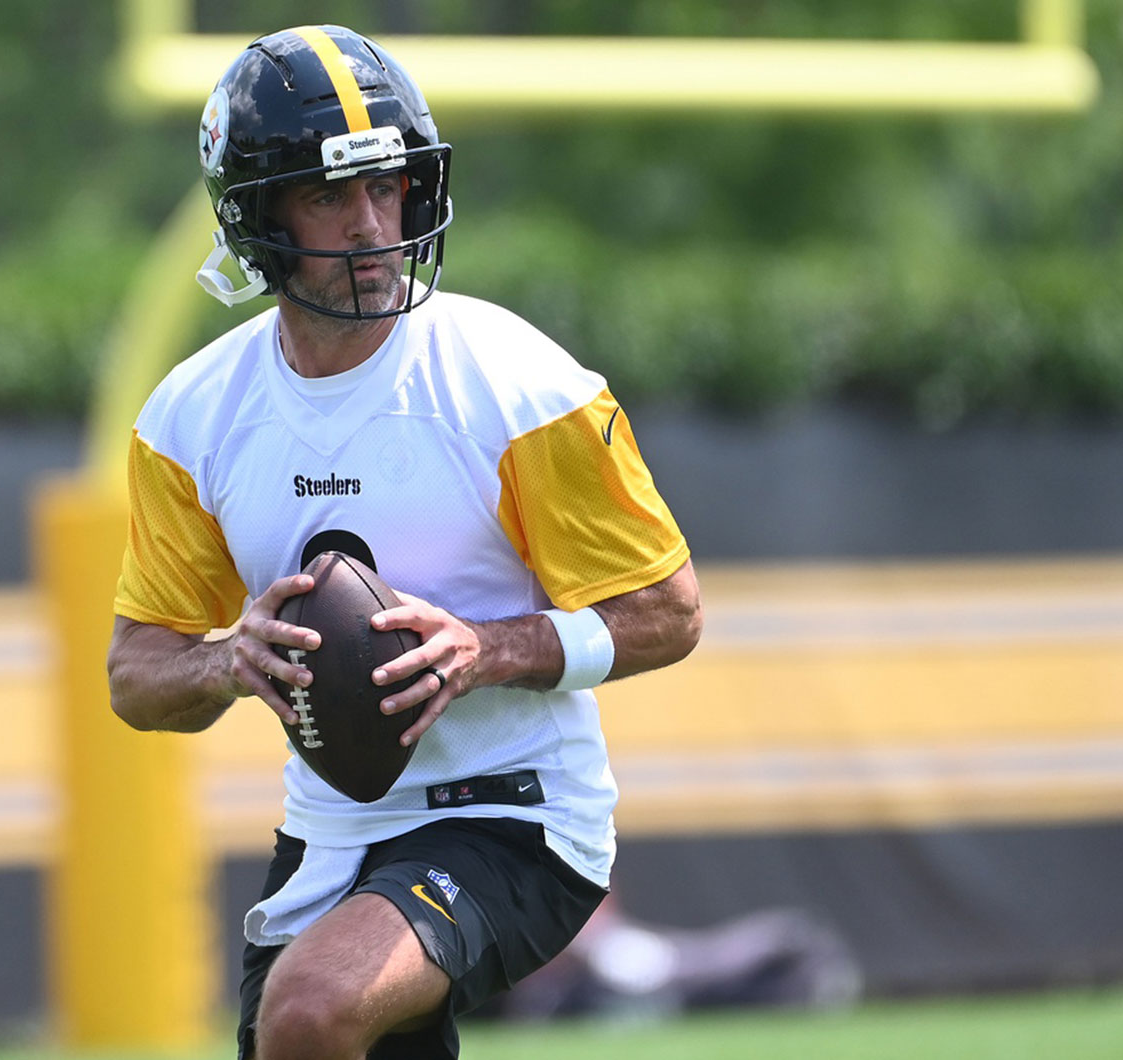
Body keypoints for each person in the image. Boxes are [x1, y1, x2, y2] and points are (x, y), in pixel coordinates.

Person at [106, 24, 702, 1060]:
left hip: (517, 813)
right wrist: (226, 662)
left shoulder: (514, 382)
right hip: (333, 832)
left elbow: (670, 612)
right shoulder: (191, 418)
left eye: (388, 186)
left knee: (311, 1011)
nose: (373, 223)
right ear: (258, 216)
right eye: (330, 195)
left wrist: (488, 649)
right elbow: (134, 674)